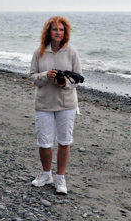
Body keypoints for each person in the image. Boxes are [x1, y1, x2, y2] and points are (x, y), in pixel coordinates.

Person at [29, 16, 82, 195]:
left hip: (66, 104)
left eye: (61, 30)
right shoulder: (39, 53)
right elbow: (32, 77)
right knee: (44, 142)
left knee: (64, 142)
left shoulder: (72, 52)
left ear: (65, 32)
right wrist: (46, 75)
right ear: (48, 32)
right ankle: (46, 174)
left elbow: (78, 78)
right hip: (44, 103)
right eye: (55, 29)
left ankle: (60, 178)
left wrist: (64, 83)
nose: (58, 32)